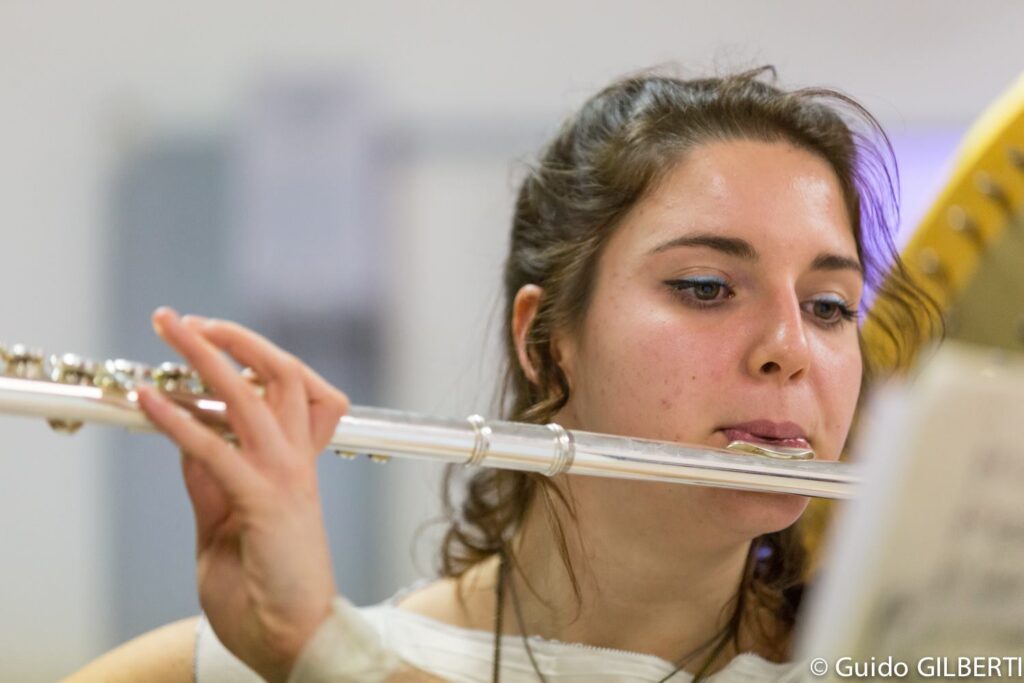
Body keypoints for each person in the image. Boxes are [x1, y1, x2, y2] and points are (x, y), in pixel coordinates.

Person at [64, 67, 935, 683]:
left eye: (829, 305)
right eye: (706, 287)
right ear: (547, 337)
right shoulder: (245, 662)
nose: (789, 345)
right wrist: (313, 649)